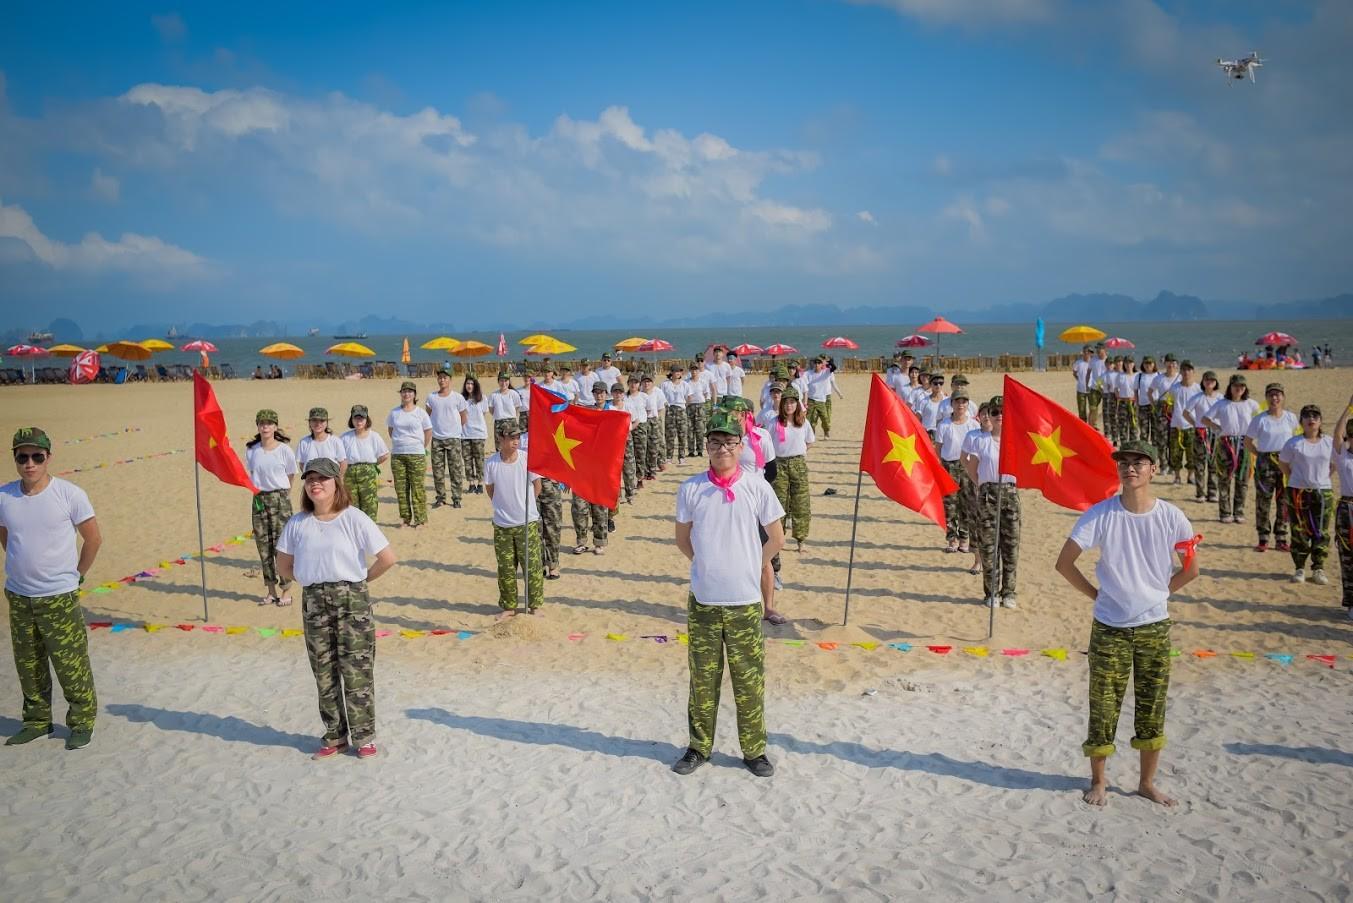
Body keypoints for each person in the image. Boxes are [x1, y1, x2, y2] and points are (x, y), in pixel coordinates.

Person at [1054, 438, 1198, 809]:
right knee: (1103, 705)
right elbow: (1064, 563)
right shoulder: (1100, 514)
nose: (1130, 467)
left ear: (1153, 469)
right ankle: (1099, 781)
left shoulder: (1172, 516)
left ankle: (1146, 783)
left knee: (1152, 705)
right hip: (1109, 627)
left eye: (1139, 462)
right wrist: (1097, 596)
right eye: (1124, 462)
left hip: (1154, 626)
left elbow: (1191, 569)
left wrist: (1158, 595)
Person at [672, 410, 785, 778]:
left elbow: (777, 538)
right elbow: (682, 539)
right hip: (704, 601)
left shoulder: (757, 485)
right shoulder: (691, 488)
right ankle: (698, 747)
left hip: (745, 602)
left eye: (730, 442)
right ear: (706, 446)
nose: (722, 448)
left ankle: (754, 751)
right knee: (702, 679)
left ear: (741, 446)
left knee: (748, 679)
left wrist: (752, 564)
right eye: (716, 442)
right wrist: (706, 564)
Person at [276, 457, 396, 761]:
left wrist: (360, 581)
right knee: (324, 672)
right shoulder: (297, 523)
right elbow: (283, 564)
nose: (316, 483)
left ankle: (364, 736)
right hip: (314, 601)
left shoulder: (354, 518)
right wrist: (309, 579)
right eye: (310, 479)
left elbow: (387, 558)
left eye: (323, 478)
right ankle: (334, 735)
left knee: (356, 671)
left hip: (351, 600)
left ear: (335, 483)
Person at [1, 427, 102, 749]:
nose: (29, 463)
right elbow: (7, 537)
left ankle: (82, 721)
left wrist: (77, 575)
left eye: (36, 456)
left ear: (48, 458)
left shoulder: (69, 494)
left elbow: (93, 539)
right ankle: (36, 721)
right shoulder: (4, 496)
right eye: (22, 457)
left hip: (58, 597)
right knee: (28, 664)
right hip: (19, 596)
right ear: (15, 458)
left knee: (70, 663)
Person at [721, 395, 785, 623]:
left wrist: (754, 487)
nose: (727, 415)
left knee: (763, 556)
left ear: (742, 414)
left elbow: (772, 471)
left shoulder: (761, 436)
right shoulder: (723, 437)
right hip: (728, 503)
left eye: (731, 412)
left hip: (755, 503)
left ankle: (768, 607)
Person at [962, 395, 1020, 608]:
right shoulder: (982, 441)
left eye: (1003, 412)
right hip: (988, 495)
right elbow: (970, 464)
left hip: (1010, 495)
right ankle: (992, 593)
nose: (999, 416)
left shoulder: (1015, 439)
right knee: (989, 547)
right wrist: (980, 483)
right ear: (989, 416)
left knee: (1010, 546)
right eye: (995, 413)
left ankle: (1009, 593)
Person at [484, 420, 544, 617]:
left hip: (526, 523)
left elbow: (537, 487)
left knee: (532, 567)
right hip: (502, 525)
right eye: (511, 437)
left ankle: (534, 606)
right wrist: (504, 507)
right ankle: (509, 607)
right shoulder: (491, 463)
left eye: (517, 437)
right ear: (501, 439)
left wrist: (526, 507)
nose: (515, 441)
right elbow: (490, 490)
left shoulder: (527, 459)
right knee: (506, 569)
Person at [245, 410, 297, 606]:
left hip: (280, 498)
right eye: (262, 423)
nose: (265, 427)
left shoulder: (284, 450)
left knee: (281, 547)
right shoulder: (252, 450)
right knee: (263, 547)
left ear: (275, 427)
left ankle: (286, 591)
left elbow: (291, 475)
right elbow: (252, 473)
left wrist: (283, 497)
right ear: (258, 426)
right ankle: (271, 591)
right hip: (259, 499)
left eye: (269, 423)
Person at [1279, 405, 1335, 585]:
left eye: (1315, 416)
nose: (1311, 419)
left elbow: (1334, 464)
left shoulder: (1329, 442)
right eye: (1307, 416)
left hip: (1322, 492)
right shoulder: (1293, 443)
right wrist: (1296, 479)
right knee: (1298, 531)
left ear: (1320, 421)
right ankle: (1299, 568)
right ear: (1301, 421)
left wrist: (1322, 479)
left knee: (1321, 530)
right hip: (1297, 491)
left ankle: (1318, 567)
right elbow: (1284, 464)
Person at [1245, 382, 1298, 553]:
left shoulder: (1291, 417)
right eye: (1271, 395)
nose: (1274, 398)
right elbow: (1247, 442)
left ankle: (1281, 538)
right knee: (1263, 501)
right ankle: (1263, 537)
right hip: (1265, 461)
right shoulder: (1260, 419)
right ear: (1266, 398)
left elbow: (1297, 439)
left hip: (1285, 461)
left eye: (1278, 395)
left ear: (1283, 397)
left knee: (1283, 500)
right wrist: (1260, 455)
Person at [570, 382, 620, 555]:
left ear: (606, 394)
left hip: (602, 466)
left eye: (601, 392)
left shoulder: (613, 412)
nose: (599, 395)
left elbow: (620, 436)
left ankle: (599, 542)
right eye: (596, 392)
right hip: (583, 466)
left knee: (599, 506)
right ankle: (581, 541)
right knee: (579, 508)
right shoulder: (587, 412)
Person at [1203, 374, 1257, 524]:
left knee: (1243, 479)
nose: (1239, 389)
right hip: (1226, 444)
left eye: (1242, 386)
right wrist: (1217, 428)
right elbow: (1205, 419)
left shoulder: (1251, 404)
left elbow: (1262, 418)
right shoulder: (1222, 404)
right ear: (1230, 387)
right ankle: (1225, 512)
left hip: (1244, 444)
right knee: (1224, 479)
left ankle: (1239, 512)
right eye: (1236, 386)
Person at [768, 387, 815, 553]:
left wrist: (797, 454)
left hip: (798, 464)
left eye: (792, 402)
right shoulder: (774, 422)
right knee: (779, 503)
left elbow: (809, 441)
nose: (789, 406)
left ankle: (801, 540)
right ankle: (778, 540)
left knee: (800, 502)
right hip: (779, 465)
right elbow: (767, 443)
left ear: (797, 404)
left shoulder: (803, 422)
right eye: (786, 402)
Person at [936, 390, 979, 554]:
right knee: (950, 505)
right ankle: (952, 539)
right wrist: (941, 467)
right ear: (951, 404)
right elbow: (938, 449)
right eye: (957, 401)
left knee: (967, 505)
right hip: (949, 467)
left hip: (968, 467)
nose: (960, 405)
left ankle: (964, 539)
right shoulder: (944, 425)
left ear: (968, 404)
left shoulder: (974, 425)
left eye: (964, 401)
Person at [385, 381, 432, 528]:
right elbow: (391, 430)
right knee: (401, 488)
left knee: (417, 488)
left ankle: (420, 519)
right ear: (401, 394)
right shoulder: (394, 413)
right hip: (398, 454)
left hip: (416, 454)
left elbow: (428, 431)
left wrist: (420, 446)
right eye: (404, 391)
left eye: (410, 391)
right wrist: (399, 443)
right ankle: (405, 518)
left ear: (414, 395)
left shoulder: (420, 413)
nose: (406, 394)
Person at [426, 369, 468, 509]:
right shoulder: (431, 397)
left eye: (445, 377)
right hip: (437, 439)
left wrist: (455, 430)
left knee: (455, 470)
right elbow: (429, 415)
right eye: (440, 378)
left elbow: (463, 417)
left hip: (453, 438)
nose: (442, 380)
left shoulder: (458, 397)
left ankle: (456, 498)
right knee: (438, 471)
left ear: (450, 379)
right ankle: (440, 498)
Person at [339, 404, 389, 521]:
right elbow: (339, 458)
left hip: (368, 474)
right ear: (351, 420)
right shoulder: (345, 438)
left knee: (369, 505)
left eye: (362, 418)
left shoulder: (374, 436)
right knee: (351, 506)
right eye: (356, 418)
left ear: (367, 419)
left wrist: (372, 466)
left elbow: (385, 455)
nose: (359, 421)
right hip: (350, 474)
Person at [1183, 370, 1221, 503]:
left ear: (1216, 382)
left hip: (1216, 433)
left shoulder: (1220, 398)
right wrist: (1195, 424)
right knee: (1199, 464)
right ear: (1203, 382)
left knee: (1214, 463)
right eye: (1207, 380)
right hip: (1200, 432)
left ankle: (1212, 492)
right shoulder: (1197, 397)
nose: (1209, 382)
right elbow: (1186, 413)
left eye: (1212, 380)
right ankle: (1200, 493)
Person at [1334, 397, 1353, 617]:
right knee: (1348, 557)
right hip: (1347, 507)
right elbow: (1337, 434)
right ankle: (1351, 602)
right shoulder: (1343, 456)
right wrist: (1349, 407)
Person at [297, 407, 347, 478]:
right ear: (309, 422)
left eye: (322, 421)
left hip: (330, 481)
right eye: (314, 420)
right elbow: (302, 464)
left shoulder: (335, 441)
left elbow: (343, 463)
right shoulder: (303, 442)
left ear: (327, 423)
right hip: (312, 483)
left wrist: (337, 480)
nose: (318, 424)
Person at [461, 375, 490, 494]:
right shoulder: (461, 399)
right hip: (465, 434)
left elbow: (483, 414)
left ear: (475, 385)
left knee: (479, 460)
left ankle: (480, 484)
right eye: (467, 383)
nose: (469, 386)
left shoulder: (482, 398)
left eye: (472, 384)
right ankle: (471, 484)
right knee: (467, 461)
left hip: (478, 434)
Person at [805, 356, 843, 439]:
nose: (817, 364)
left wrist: (828, 362)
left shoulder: (826, 372)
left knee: (825, 419)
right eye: (815, 362)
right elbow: (803, 384)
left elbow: (834, 367)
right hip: (811, 400)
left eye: (819, 363)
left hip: (821, 400)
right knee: (810, 419)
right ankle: (811, 435)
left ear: (821, 364)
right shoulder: (808, 373)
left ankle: (826, 432)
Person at [661, 366, 691, 464]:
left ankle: (681, 457)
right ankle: (669, 457)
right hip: (670, 410)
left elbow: (689, 397)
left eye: (680, 371)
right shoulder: (665, 384)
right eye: (676, 371)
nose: (678, 373)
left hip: (681, 410)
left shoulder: (685, 384)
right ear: (672, 372)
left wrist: (684, 406)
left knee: (682, 434)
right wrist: (665, 404)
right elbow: (661, 396)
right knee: (669, 435)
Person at [685, 363, 711, 457]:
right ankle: (691, 451)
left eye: (696, 370)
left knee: (700, 429)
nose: (694, 372)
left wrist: (705, 404)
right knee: (690, 429)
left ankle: (700, 450)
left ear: (698, 371)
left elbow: (706, 393)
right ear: (690, 371)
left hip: (700, 406)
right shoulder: (686, 382)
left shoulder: (703, 382)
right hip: (689, 406)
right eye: (692, 370)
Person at [642, 374, 665, 476]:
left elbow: (661, 407)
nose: (647, 384)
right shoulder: (639, 393)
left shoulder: (657, 392)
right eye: (645, 382)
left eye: (649, 382)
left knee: (656, 443)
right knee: (644, 444)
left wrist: (658, 420)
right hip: (642, 421)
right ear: (641, 383)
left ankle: (658, 463)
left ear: (652, 383)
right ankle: (647, 468)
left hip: (654, 420)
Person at [1072, 345, 1094, 424]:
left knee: (1092, 409)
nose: (1085, 353)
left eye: (1087, 352)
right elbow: (1074, 373)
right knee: (1082, 411)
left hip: (1091, 390)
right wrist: (1079, 379)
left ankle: (1091, 426)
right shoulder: (1078, 363)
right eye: (1084, 352)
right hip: (1081, 390)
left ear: (1090, 353)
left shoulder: (1093, 363)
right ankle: (1083, 425)